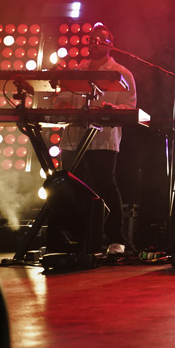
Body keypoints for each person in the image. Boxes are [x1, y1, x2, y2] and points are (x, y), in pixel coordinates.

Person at [55, 24, 138, 256]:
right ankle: (77, 237)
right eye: (91, 39)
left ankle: (116, 238)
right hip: (74, 136)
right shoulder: (77, 71)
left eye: (99, 40)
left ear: (110, 45)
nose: (93, 43)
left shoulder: (122, 73)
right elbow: (61, 98)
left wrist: (112, 109)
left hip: (103, 137)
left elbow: (129, 107)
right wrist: (63, 105)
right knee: (70, 186)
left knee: (105, 185)